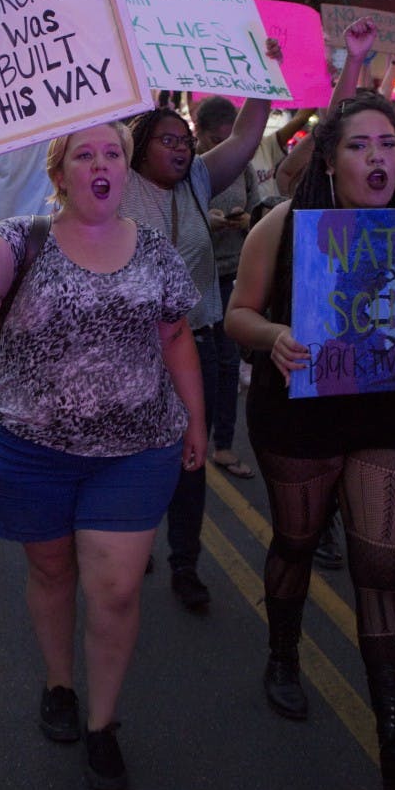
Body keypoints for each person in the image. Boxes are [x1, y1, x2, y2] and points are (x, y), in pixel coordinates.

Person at [0, 121, 205, 790]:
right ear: (59, 175)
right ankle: (59, 682)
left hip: (135, 449)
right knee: (52, 570)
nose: (100, 163)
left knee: (115, 589)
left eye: (112, 153)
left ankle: (102, 723)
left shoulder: (154, 251)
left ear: (125, 169)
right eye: (83, 154)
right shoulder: (22, 238)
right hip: (30, 448)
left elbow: (176, 336)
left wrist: (197, 422)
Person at [224, 20, 395, 790]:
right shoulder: (283, 225)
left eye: (387, 144)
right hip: (300, 409)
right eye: (359, 145)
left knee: (380, 568)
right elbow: (238, 314)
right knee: (298, 542)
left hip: (383, 410)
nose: (376, 157)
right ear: (330, 159)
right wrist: (273, 335)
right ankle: (282, 653)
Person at [120, 37, 283, 610]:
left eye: (186, 140)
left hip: (200, 344)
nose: (182, 148)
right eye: (167, 140)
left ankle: (184, 563)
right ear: (137, 147)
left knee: (190, 459)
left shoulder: (196, 181)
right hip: (132, 351)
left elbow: (245, 137)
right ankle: (134, 539)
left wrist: (263, 72)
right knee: (135, 455)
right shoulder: (115, 184)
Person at [193, 95, 259, 479]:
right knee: (201, 363)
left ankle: (223, 444)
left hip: (231, 274)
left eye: (228, 139)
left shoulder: (244, 167)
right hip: (196, 278)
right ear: (198, 133)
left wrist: (247, 219)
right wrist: (206, 221)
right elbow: (174, 220)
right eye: (215, 141)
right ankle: (192, 440)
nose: (223, 149)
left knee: (228, 361)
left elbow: (259, 213)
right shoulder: (188, 168)